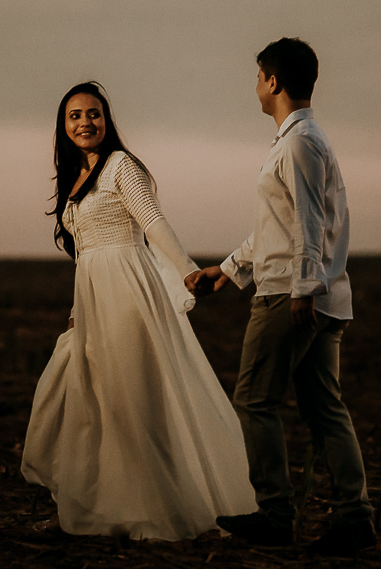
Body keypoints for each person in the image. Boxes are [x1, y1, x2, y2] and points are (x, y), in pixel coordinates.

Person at [21, 81, 257, 541]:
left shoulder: (120, 166)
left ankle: (165, 514)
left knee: (134, 405)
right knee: (86, 401)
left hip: (128, 294)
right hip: (93, 301)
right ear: (62, 126)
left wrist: (188, 270)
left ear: (107, 121)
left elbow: (152, 222)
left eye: (94, 114)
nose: (85, 122)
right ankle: (94, 507)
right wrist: (76, 311)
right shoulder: (76, 178)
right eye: (75, 115)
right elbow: (84, 253)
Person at [187, 38, 377, 555]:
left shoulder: (298, 144)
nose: (255, 86)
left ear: (272, 82)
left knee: (253, 401)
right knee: (323, 409)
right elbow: (279, 227)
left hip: (289, 297)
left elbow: (309, 227)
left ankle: (275, 514)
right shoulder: (304, 141)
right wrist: (226, 271)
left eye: (258, 77)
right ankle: (354, 518)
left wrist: (301, 291)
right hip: (314, 295)